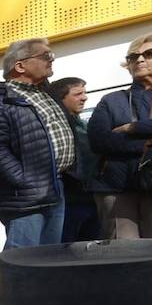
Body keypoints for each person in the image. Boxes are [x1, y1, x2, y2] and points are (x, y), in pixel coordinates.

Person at [87, 31, 152, 242]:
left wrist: (132, 128)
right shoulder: (112, 100)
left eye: (150, 53)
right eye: (133, 57)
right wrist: (151, 141)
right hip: (116, 185)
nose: (140, 59)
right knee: (122, 252)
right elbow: (98, 140)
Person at [0, 37, 73, 249]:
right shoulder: (0, 102)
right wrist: (25, 179)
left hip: (53, 187)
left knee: (49, 258)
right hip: (25, 197)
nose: (51, 59)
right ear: (19, 66)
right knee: (22, 261)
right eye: (45, 56)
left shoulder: (43, 94)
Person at [49, 77, 101, 243]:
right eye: (78, 94)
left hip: (90, 199)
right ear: (61, 98)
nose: (84, 97)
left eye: (84, 93)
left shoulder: (83, 125)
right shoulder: (56, 127)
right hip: (69, 201)